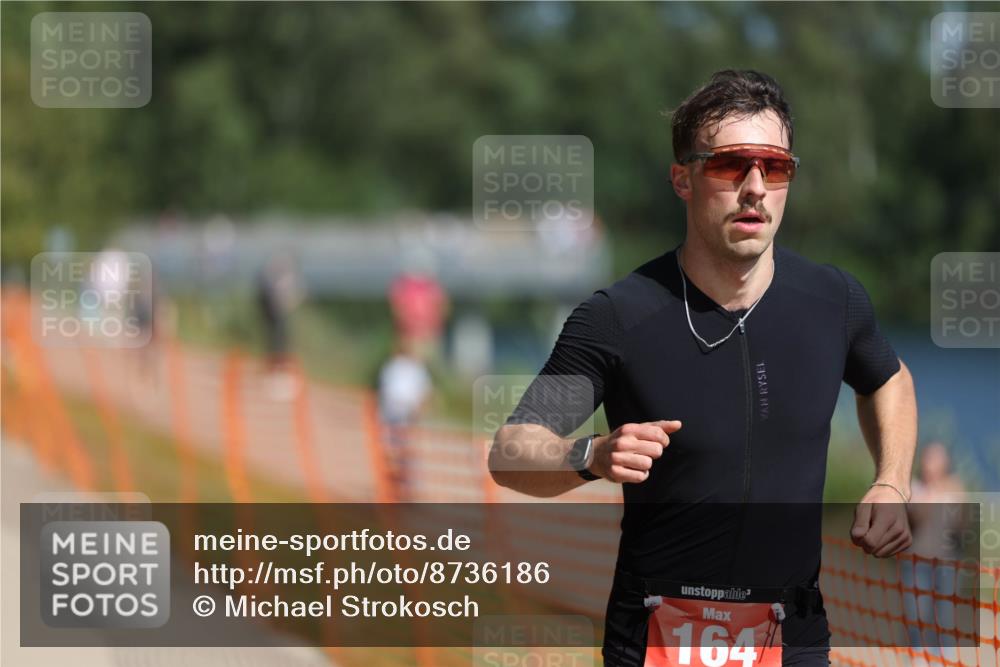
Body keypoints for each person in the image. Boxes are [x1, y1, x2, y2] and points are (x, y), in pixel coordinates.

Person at [488, 70, 917, 667]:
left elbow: (889, 379)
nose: (754, 187)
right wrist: (588, 456)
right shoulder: (619, 316)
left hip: (792, 637)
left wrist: (891, 479)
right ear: (682, 179)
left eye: (776, 166)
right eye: (729, 165)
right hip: (655, 638)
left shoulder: (833, 301)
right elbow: (510, 450)